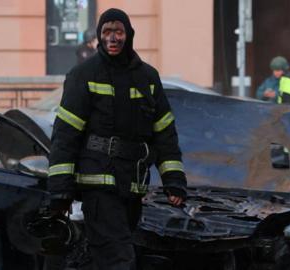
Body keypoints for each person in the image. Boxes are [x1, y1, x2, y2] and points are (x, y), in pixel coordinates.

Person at [47, 8, 187, 270]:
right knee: (119, 260)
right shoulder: (84, 75)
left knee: (111, 257)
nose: (113, 38)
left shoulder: (148, 78)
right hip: (98, 187)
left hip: (132, 187)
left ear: (129, 35)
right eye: (107, 32)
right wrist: (60, 190)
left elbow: (165, 132)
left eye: (118, 32)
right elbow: (65, 135)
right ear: (99, 37)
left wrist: (174, 181)